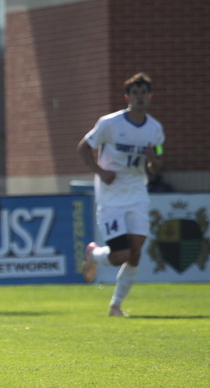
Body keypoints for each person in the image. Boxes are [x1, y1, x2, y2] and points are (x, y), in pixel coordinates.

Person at [77, 72, 165, 316]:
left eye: (143, 93)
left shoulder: (155, 130)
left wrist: (152, 161)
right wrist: (101, 172)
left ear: (150, 97)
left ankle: (116, 306)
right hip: (111, 196)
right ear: (127, 97)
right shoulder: (109, 124)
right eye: (135, 93)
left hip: (137, 194)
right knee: (120, 256)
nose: (139, 98)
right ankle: (94, 253)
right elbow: (84, 148)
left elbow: (158, 161)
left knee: (135, 253)